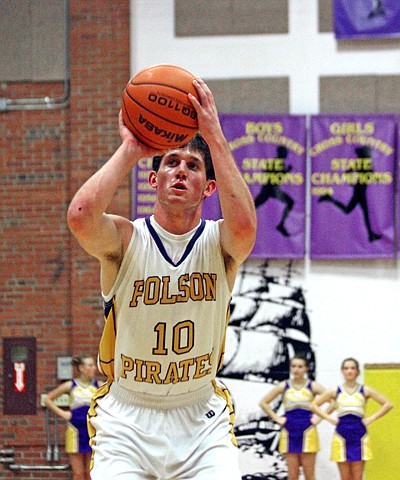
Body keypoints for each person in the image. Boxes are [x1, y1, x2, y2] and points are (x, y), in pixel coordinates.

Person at [67, 77, 257, 479]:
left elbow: (246, 228)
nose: (180, 171)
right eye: (171, 162)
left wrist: (214, 137)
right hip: (128, 418)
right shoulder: (126, 239)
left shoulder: (219, 243)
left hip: (200, 418)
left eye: (192, 165)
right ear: (153, 180)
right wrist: (132, 149)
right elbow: (81, 218)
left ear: (208, 188)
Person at [311, 357, 393, 480]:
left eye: (352, 368)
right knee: (345, 477)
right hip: (341, 434)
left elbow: (388, 404)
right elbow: (313, 405)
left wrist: (371, 418)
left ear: (357, 371)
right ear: (342, 371)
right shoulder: (335, 390)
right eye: (346, 368)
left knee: (357, 477)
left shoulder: (365, 390)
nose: (349, 371)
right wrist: (329, 418)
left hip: (359, 434)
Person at [259, 354, 326, 480]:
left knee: (309, 475)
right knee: (292, 475)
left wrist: (318, 418)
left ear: (306, 368)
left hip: (308, 431)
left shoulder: (313, 386)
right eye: (294, 366)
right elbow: (263, 403)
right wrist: (277, 419)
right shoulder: (284, 385)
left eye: (300, 366)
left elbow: (334, 400)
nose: (296, 369)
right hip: (289, 430)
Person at [44, 355, 99, 480]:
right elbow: (48, 399)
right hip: (75, 430)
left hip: (92, 430)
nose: (94, 368)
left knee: (91, 473)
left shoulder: (99, 385)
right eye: (90, 365)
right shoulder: (70, 385)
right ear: (81, 368)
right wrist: (63, 413)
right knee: (78, 474)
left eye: (94, 365)